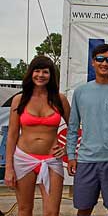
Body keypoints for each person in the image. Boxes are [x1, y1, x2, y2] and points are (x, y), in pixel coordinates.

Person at [66, 44, 108, 216]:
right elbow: (73, 126)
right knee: (83, 209)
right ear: (93, 62)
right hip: (86, 160)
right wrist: (71, 156)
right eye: (100, 59)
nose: (104, 63)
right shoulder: (81, 92)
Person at [5, 56, 70, 216]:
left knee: (51, 212)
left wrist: (67, 148)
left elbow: (74, 128)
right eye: (37, 70)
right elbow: (12, 135)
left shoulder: (60, 99)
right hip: (23, 159)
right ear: (31, 73)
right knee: (25, 210)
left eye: (45, 72)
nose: (40, 75)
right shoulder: (19, 100)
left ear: (51, 75)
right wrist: (9, 168)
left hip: (51, 160)